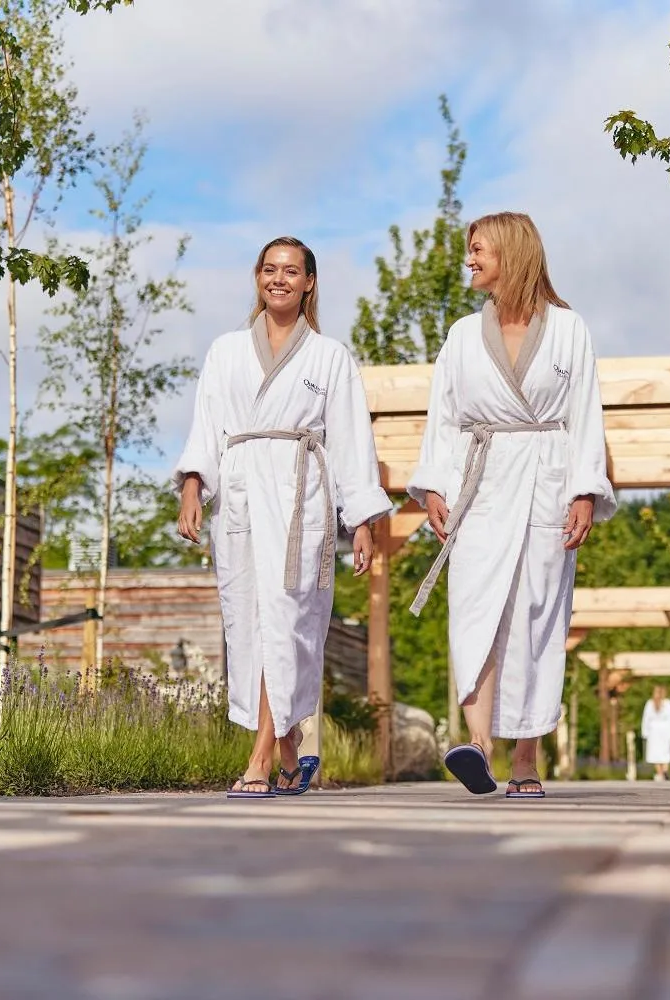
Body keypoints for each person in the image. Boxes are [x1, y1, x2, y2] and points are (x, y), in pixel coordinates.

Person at [173, 236, 390, 799]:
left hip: (301, 500)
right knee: (248, 624)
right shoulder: (225, 351)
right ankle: (294, 757)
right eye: (270, 269)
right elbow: (207, 425)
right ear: (257, 277)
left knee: (285, 624)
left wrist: (360, 518)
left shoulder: (330, 357)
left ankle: (262, 757)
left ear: (309, 282)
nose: (279, 279)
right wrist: (193, 485)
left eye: (291, 271)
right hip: (241, 494)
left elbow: (350, 442)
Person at [408, 211, 616, 799]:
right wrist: (435, 488)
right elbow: (444, 420)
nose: (469, 260)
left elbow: (584, 414)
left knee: (535, 617)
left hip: (547, 479)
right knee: (476, 609)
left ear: (512, 252)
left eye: (478, 250)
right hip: (480, 484)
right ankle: (477, 746)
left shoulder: (569, 330)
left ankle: (526, 758)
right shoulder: (460, 336)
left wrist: (583, 489)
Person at [640, 686, 670, 782]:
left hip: (653, 731)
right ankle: (665, 770)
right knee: (665, 751)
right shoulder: (668, 703)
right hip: (665, 730)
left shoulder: (650, 703)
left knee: (655, 752)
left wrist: (645, 732)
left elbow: (646, 719)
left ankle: (659, 773)